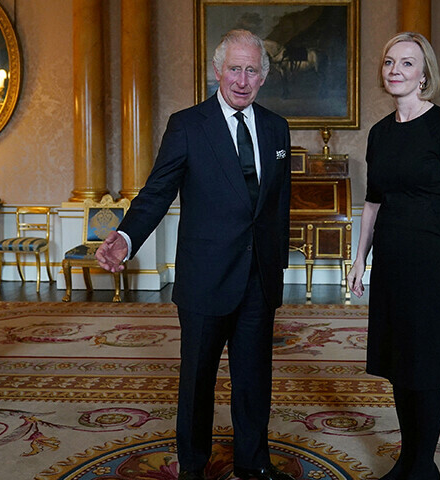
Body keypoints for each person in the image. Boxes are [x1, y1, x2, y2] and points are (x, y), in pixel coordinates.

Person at [96, 29, 293, 480]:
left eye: (251, 70)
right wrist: (125, 237)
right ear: (217, 71)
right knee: (198, 379)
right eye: (234, 69)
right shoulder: (187, 125)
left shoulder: (276, 127)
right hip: (206, 277)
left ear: (262, 76)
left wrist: (276, 266)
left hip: (258, 278)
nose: (242, 80)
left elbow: (277, 205)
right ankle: (193, 466)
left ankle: (253, 463)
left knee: (253, 379)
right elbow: (157, 192)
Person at [346, 32, 440, 480]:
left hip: (432, 258)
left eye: (406, 63)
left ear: (424, 75)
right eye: (389, 63)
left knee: (424, 367)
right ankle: (407, 459)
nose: (395, 70)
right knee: (399, 365)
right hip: (391, 260)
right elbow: (372, 202)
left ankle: (424, 467)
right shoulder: (380, 133)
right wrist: (358, 260)